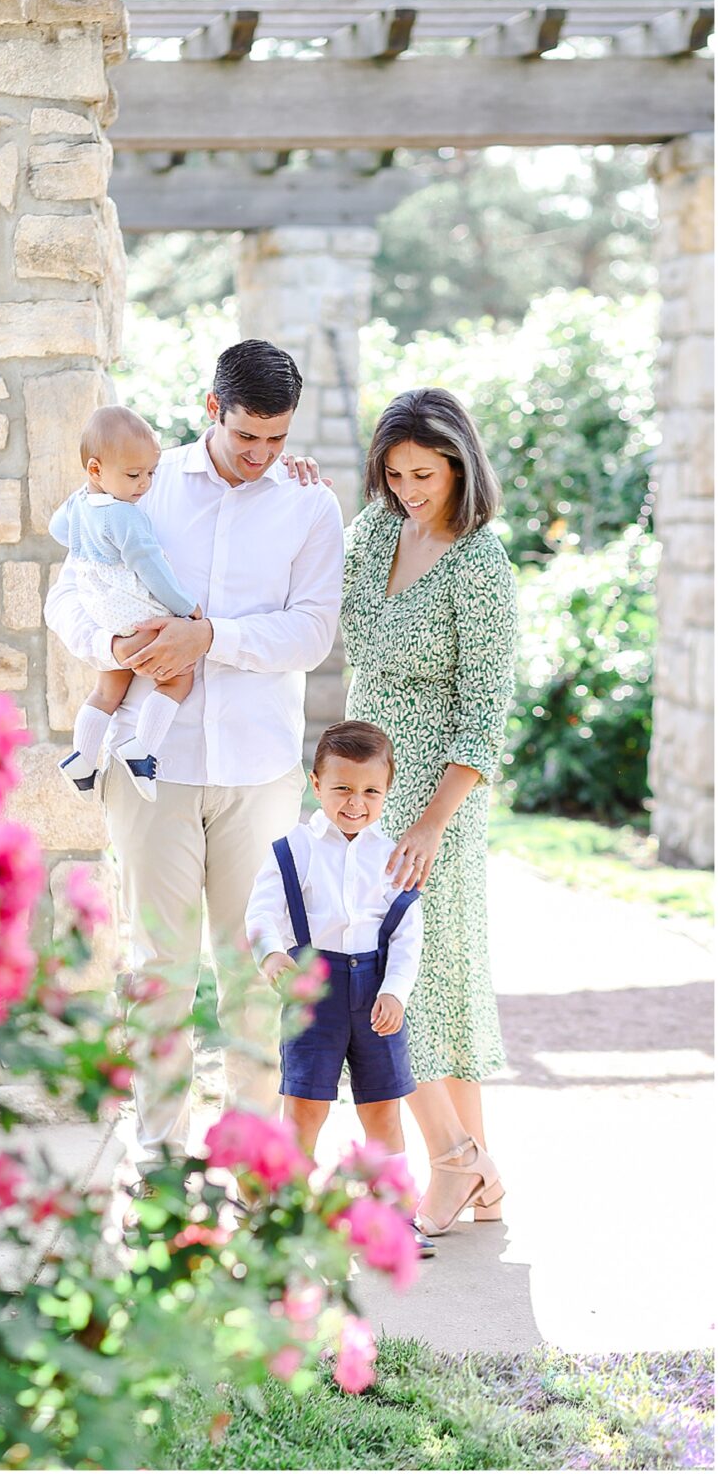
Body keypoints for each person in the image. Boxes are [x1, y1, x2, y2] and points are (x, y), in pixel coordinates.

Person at [44, 340, 344, 1181]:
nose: (261, 457)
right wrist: (118, 645)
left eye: (277, 441)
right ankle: (156, 1147)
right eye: (247, 436)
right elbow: (66, 595)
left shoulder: (309, 507)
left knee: (257, 966)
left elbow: (313, 632)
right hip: (153, 768)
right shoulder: (143, 481)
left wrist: (209, 637)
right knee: (158, 965)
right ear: (212, 408)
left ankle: (250, 1152)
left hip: (259, 771)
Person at [340, 386, 515, 1236]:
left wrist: (431, 821)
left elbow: (485, 712)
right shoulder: (375, 530)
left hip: (432, 799)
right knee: (428, 979)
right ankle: (476, 1172)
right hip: (366, 786)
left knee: (400, 982)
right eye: (394, 471)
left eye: (424, 473)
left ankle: (449, 1163)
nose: (407, 488)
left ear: (459, 465)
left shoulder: (481, 564)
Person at [245, 721, 424, 1177]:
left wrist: (396, 991)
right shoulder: (294, 850)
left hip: (375, 992)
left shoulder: (392, 857)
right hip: (314, 989)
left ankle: (392, 1215)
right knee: (304, 1106)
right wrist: (271, 954)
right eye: (342, 788)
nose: (355, 803)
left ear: (386, 792)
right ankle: (290, 1210)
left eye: (371, 792)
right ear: (316, 783)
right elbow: (262, 913)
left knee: (383, 1109)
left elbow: (406, 932)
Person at [48, 406, 202, 803]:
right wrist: (187, 609)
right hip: (136, 611)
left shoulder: (80, 503)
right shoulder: (126, 517)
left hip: (103, 613)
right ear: (96, 469)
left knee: (108, 686)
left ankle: (82, 758)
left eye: (151, 473)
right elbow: (152, 571)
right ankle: (142, 749)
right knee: (177, 676)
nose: (144, 485)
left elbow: (57, 530)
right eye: (133, 475)